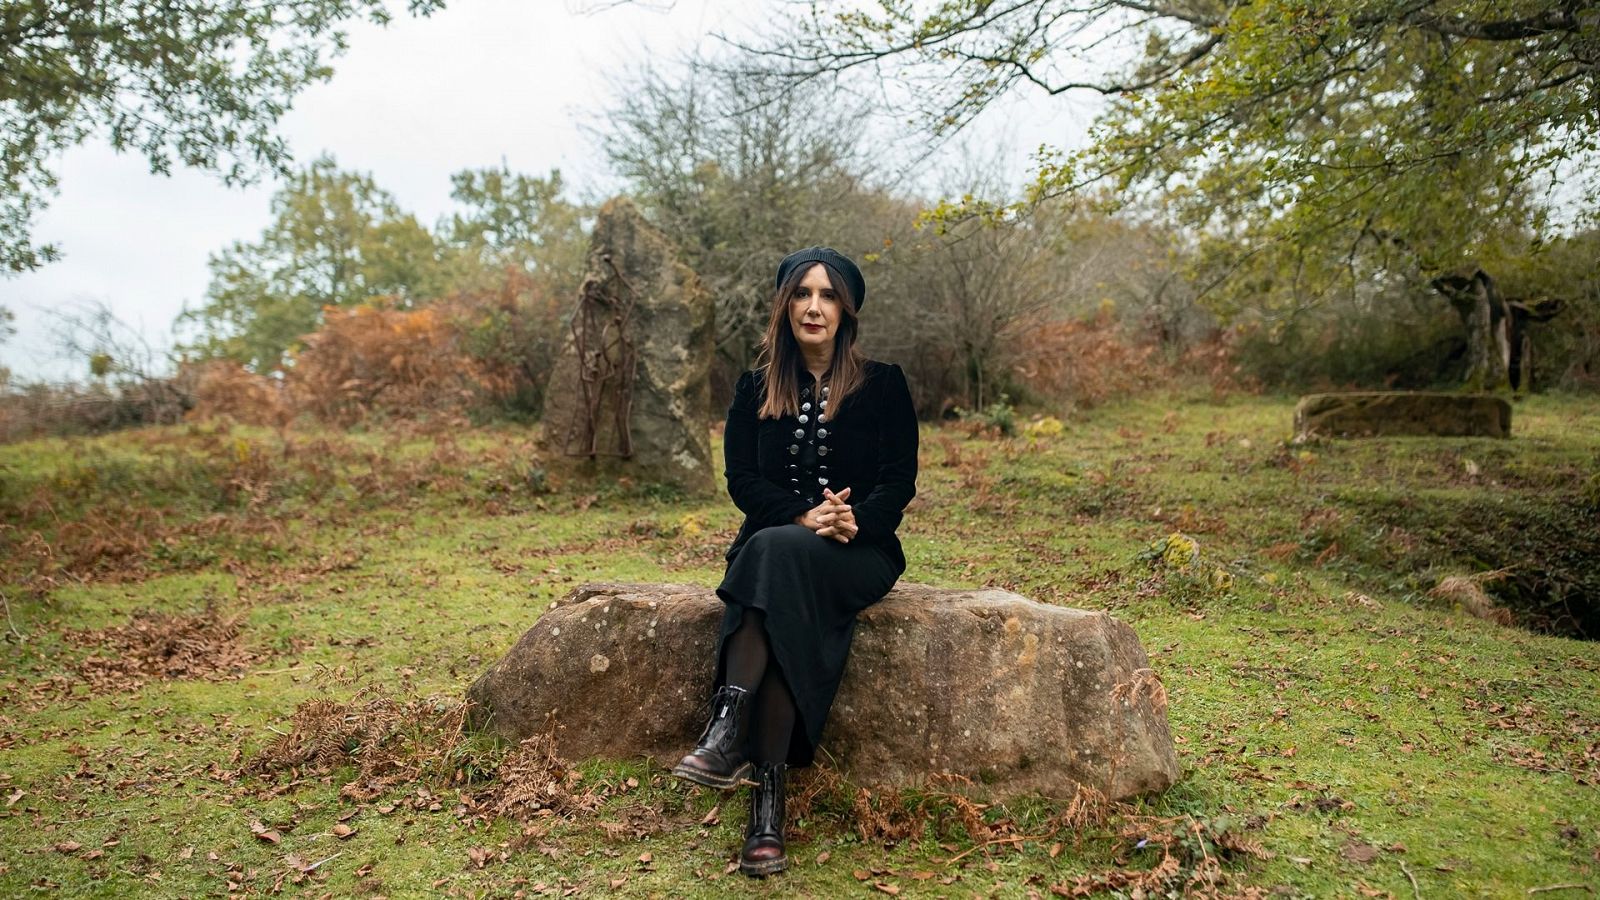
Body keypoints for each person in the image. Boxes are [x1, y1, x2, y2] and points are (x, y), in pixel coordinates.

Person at [671, 247, 919, 877]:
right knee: (777, 565)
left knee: (771, 563)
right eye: (803, 295)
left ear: (847, 310)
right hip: (774, 546)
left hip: (858, 552)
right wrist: (802, 516)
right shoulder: (754, 388)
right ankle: (766, 811)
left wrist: (853, 518)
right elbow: (742, 479)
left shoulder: (885, 383)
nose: (814, 307)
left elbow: (898, 478)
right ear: (784, 308)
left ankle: (725, 734)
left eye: (828, 295)